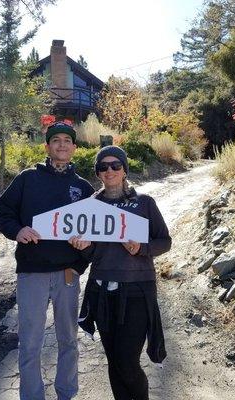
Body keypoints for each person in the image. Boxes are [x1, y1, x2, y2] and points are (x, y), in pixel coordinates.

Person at [0, 121, 94, 400]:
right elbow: (6, 214)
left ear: (74, 147)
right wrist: (18, 230)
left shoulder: (83, 188)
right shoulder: (27, 179)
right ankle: (32, 396)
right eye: (56, 140)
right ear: (47, 146)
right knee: (30, 343)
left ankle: (66, 393)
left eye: (67, 140)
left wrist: (80, 260)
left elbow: (92, 235)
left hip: (67, 275)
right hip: (32, 274)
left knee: (68, 341)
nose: (62, 144)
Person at [68, 145, 171, 400]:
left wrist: (141, 248)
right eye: (103, 167)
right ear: (98, 173)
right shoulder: (90, 206)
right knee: (114, 360)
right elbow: (92, 255)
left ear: (124, 169)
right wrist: (83, 247)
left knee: (127, 361)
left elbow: (165, 241)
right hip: (101, 290)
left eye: (116, 165)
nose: (110, 170)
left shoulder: (144, 203)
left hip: (137, 290)